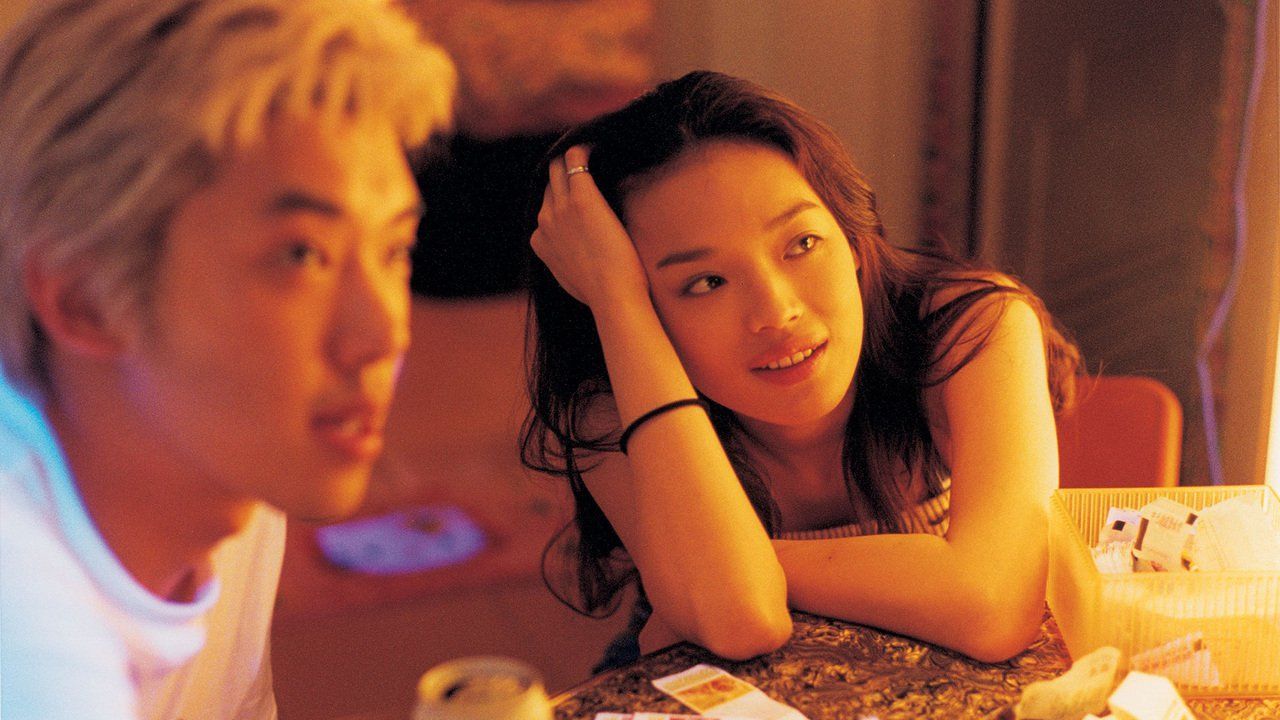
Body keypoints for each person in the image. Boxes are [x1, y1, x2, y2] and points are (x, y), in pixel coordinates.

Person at [522, 71, 1081, 667]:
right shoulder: (613, 398)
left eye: (802, 244)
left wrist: (742, 566)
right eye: (705, 282)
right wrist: (616, 302)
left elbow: (994, 607)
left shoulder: (965, 324)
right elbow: (740, 621)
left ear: (852, 235)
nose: (776, 312)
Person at [0, 1, 454, 718]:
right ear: (86, 300)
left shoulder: (229, 474)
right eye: (301, 255)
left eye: (393, 249)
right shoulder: (31, 642)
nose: (384, 336)